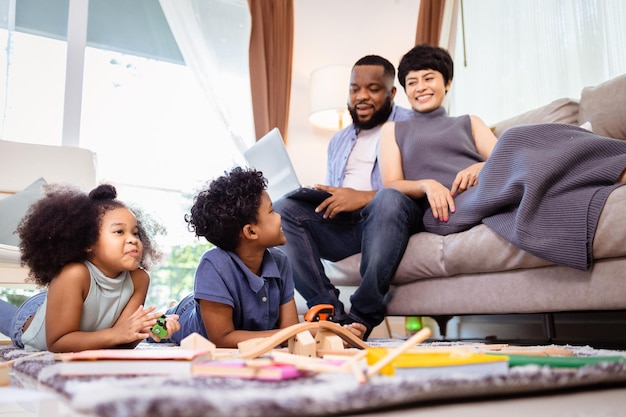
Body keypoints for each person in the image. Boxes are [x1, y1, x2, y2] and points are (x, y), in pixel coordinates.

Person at [378, 43, 626, 274]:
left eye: (429, 78)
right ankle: (615, 165)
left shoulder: (469, 121)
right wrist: (427, 184)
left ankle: (615, 166)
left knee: (519, 140)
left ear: (448, 83)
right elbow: (391, 184)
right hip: (445, 209)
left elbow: (505, 157)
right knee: (517, 139)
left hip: (486, 188)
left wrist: (480, 166)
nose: (421, 87)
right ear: (405, 91)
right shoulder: (394, 130)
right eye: (412, 82)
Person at [273, 55, 414, 339]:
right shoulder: (338, 140)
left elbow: (417, 187)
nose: (361, 97)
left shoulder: (412, 125)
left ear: (392, 92)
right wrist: (326, 196)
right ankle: (331, 316)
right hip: (346, 226)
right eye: (354, 89)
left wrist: (362, 197)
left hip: (389, 216)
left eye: (373, 89)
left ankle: (362, 316)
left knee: (387, 199)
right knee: (282, 209)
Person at [165, 167, 366, 348]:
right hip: (186, 314)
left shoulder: (280, 261)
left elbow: (289, 332)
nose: (280, 216)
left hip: (212, 302)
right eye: (271, 211)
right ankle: (170, 308)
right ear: (251, 232)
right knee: (159, 327)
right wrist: (307, 331)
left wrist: (332, 335)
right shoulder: (213, 264)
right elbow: (222, 339)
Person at [0, 184, 180, 352]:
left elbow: (121, 339)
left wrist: (148, 327)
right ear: (88, 242)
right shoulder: (73, 275)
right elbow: (57, 343)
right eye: (119, 231)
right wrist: (117, 333)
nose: (133, 239)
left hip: (70, 300)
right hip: (32, 318)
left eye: (135, 233)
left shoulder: (140, 279)